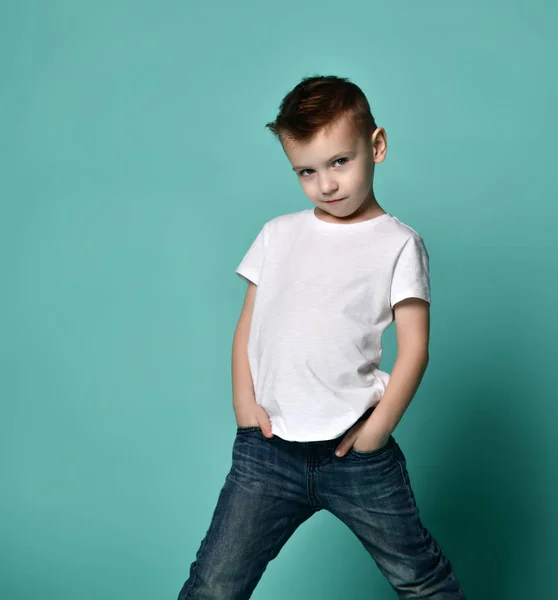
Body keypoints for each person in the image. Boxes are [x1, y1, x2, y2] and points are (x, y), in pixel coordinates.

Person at [177, 74, 466, 599]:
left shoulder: (399, 244)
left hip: (356, 453)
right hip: (267, 452)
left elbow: (415, 349)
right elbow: (250, 323)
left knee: (421, 580)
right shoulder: (278, 234)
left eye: (339, 162)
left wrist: (376, 433)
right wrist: (245, 404)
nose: (326, 185)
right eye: (306, 171)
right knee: (213, 586)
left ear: (375, 146)